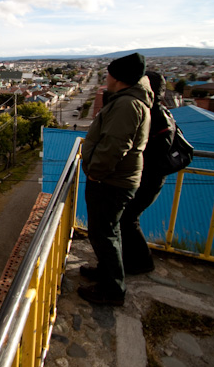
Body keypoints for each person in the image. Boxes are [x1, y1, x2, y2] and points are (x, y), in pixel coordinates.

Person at [78, 53, 153, 306]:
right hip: (114, 179)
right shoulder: (128, 101)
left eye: (108, 73)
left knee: (105, 234)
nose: (106, 77)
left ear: (119, 78)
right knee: (108, 232)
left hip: (111, 181)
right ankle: (106, 272)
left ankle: (112, 290)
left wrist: (95, 172)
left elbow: (114, 146)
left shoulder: (127, 105)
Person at [119, 71, 174, 274]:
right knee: (127, 219)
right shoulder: (162, 113)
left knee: (127, 219)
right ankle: (132, 261)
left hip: (146, 178)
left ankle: (139, 262)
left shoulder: (153, 116)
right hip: (149, 178)